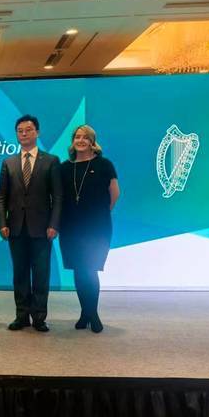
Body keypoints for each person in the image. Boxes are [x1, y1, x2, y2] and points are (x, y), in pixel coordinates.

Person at [0, 114, 62, 333]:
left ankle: (40, 317)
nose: (24, 134)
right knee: (20, 274)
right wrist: (2, 223)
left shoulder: (51, 160)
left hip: (43, 229)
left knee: (41, 274)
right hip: (15, 228)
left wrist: (54, 224)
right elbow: (1, 197)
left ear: (37, 132)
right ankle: (22, 316)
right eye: (20, 131)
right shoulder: (9, 162)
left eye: (28, 130)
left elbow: (58, 197)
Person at [59, 124, 120, 333]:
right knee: (78, 270)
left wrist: (99, 213)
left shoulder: (104, 164)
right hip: (70, 228)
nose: (81, 140)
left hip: (97, 228)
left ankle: (92, 314)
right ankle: (85, 313)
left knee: (90, 269)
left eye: (86, 137)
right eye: (77, 137)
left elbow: (115, 194)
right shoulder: (65, 168)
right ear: (73, 141)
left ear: (92, 142)